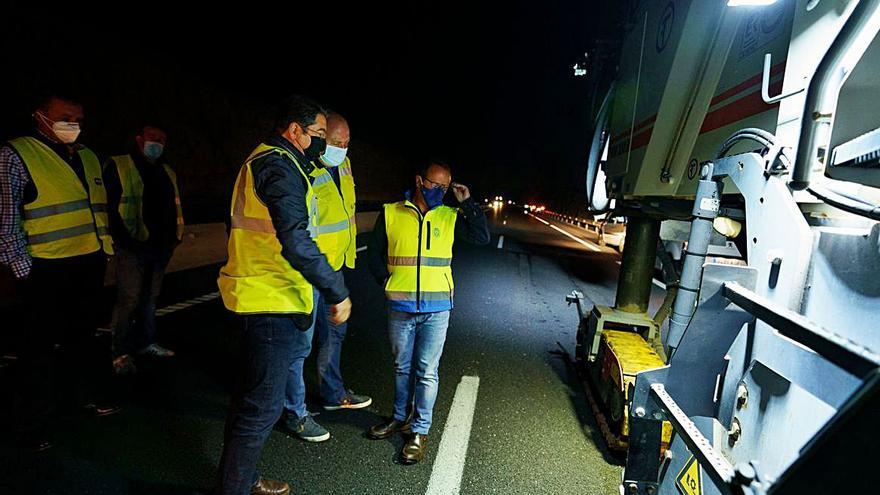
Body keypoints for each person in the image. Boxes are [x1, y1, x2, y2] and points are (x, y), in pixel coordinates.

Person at [215, 95, 352, 495]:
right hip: (270, 299)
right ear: (295, 130)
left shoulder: (275, 162)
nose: (324, 144)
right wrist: (336, 289)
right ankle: (235, 488)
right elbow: (295, 239)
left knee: (249, 403)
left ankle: (237, 480)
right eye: (319, 134)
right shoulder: (278, 166)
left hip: (261, 293)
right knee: (260, 409)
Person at [0, 91, 118, 452]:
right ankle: (31, 426)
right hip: (45, 268)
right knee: (37, 349)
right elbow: (7, 222)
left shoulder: (88, 156)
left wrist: (104, 253)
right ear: (40, 116)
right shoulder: (15, 154)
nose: (74, 125)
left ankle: (75, 401)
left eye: (79, 119)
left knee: (80, 339)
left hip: (88, 264)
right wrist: (25, 271)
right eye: (65, 117)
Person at [366, 160, 489, 464]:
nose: (440, 191)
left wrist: (468, 202)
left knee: (426, 371)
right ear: (419, 181)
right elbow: (374, 253)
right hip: (401, 305)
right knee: (401, 367)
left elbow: (482, 236)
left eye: (445, 187)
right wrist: (387, 280)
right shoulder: (392, 212)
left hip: (437, 309)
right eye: (435, 185)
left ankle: (419, 431)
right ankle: (398, 417)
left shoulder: (449, 216)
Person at [280, 111, 370, 443]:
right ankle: (295, 412)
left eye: (347, 143)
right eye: (335, 142)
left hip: (334, 270)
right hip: (308, 273)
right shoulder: (302, 167)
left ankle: (333, 394)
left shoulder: (343, 164)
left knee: (334, 337)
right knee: (299, 346)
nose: (343, 148)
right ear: (319, 137)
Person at [104, 124, 183, 374]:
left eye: (162, 139)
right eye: (152, 138)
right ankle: (120, 352)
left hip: (160, 246)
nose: (157, 143)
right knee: (129, 299)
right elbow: (110, 206)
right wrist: (123, 240)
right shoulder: (119, 165)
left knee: (149, 299)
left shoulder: (166, 170)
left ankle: (145, 342)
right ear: (139, 139)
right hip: (132, 245)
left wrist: (174, 237)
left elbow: (175, 205)